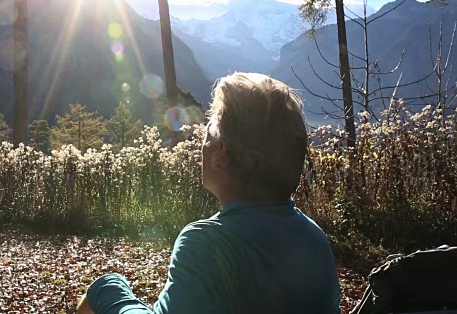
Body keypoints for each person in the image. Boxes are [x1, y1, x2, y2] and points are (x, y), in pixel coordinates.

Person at [76, 72, 341, 314]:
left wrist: (112, 294)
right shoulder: (313, 237)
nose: (201, 146)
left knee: (105, 289)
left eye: (208, 133)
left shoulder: (209, 242)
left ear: (221, 154)